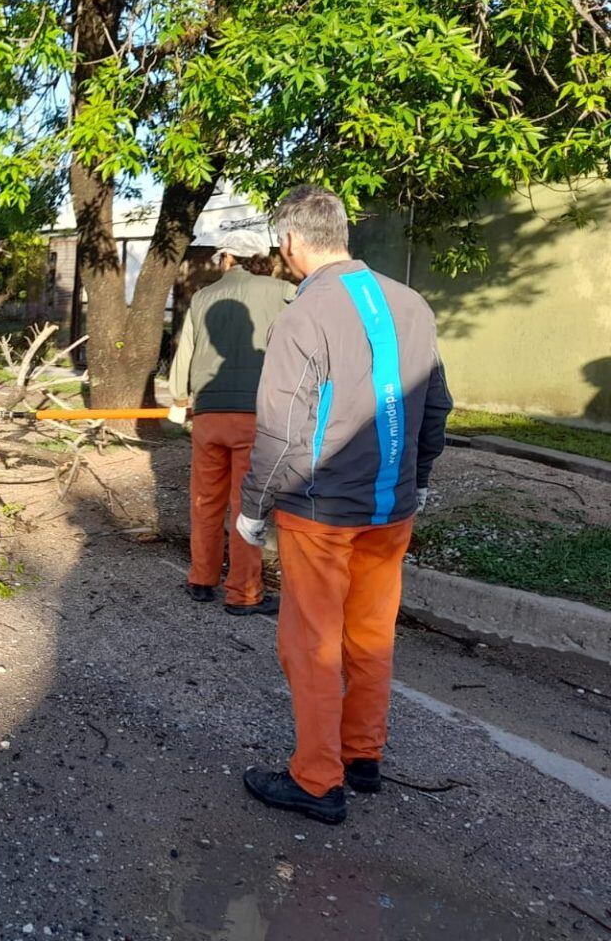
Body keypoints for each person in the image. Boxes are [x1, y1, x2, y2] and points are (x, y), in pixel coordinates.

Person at [236, 186, 452, 824]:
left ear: (290, 241)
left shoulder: (304, 313)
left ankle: (316, 780)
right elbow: (435, 405)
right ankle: (362, 757)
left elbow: (281, 429)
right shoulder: (411, 304)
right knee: (371, 635)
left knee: (312, 644)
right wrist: (422, 474)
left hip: (321, 511)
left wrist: (253, 510)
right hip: (392, 509)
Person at [168, 229, 294, 616]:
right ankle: (243, 593)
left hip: (207, 415)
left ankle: (202, 579)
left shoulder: (203, 297)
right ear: (261, 258)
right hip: (256, 416)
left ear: (228, 259)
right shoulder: (283, 293)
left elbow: (184, 353)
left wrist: (179, 399)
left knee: (205, 500)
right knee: (246, 506)